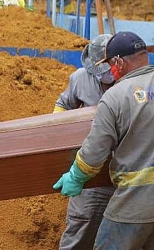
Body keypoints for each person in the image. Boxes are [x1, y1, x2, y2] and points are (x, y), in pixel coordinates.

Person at [52, 31, 154, 249]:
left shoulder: (115, 97)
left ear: (119, 62)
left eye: (110, 64)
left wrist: (75, 176)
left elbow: (94, 153)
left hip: (136, 202)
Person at [53, 34, 115, 249]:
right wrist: (62, 135)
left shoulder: (133, 81)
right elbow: (63, 104)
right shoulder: (80, 78)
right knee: (82, 224)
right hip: (88, 168)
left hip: (127, 169)